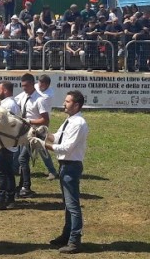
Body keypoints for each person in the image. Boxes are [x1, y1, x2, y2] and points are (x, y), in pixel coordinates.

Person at [30, 90, 89, 254]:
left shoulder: (78, 123)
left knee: (73, 205)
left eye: (68, 101)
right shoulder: (69, 121)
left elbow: (66, 148)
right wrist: (44, 134)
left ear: (76, 105)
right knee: (68, 205)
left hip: (71, 166)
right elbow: (58, 138)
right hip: (65, 166)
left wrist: (42, 144)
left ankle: (74, 241)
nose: (64, 103)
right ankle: (67, 236)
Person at [14, 73, 49, 198]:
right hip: (25, 132)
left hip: (34, 133)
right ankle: (23, 185)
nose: (24, 88)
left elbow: (45, 120)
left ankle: (26, 186)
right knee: (23, 159)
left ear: (32, 84)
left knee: (22, 159)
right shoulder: (23, 96)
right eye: (22, 86)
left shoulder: (40, 100)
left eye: (26, 85)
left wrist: (28, 121)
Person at [0, 80, 20, 210]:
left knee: (1, 171)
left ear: (5, 91)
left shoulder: (8, 105)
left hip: (3, 142)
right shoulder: (9, 103)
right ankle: (9, 198)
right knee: (7, 171)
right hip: (6, 141)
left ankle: (1, 199)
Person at [35, 74, 58, 180]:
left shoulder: (49, 94)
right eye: (39, 82)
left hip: (42, 122)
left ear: (47, 85)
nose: (39, 85)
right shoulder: (36, 87)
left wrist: (33, 89)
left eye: (42, 84)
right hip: (33, 120)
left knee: (41, 147)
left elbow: (38, 97)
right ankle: (16, 167)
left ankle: (52, 171)